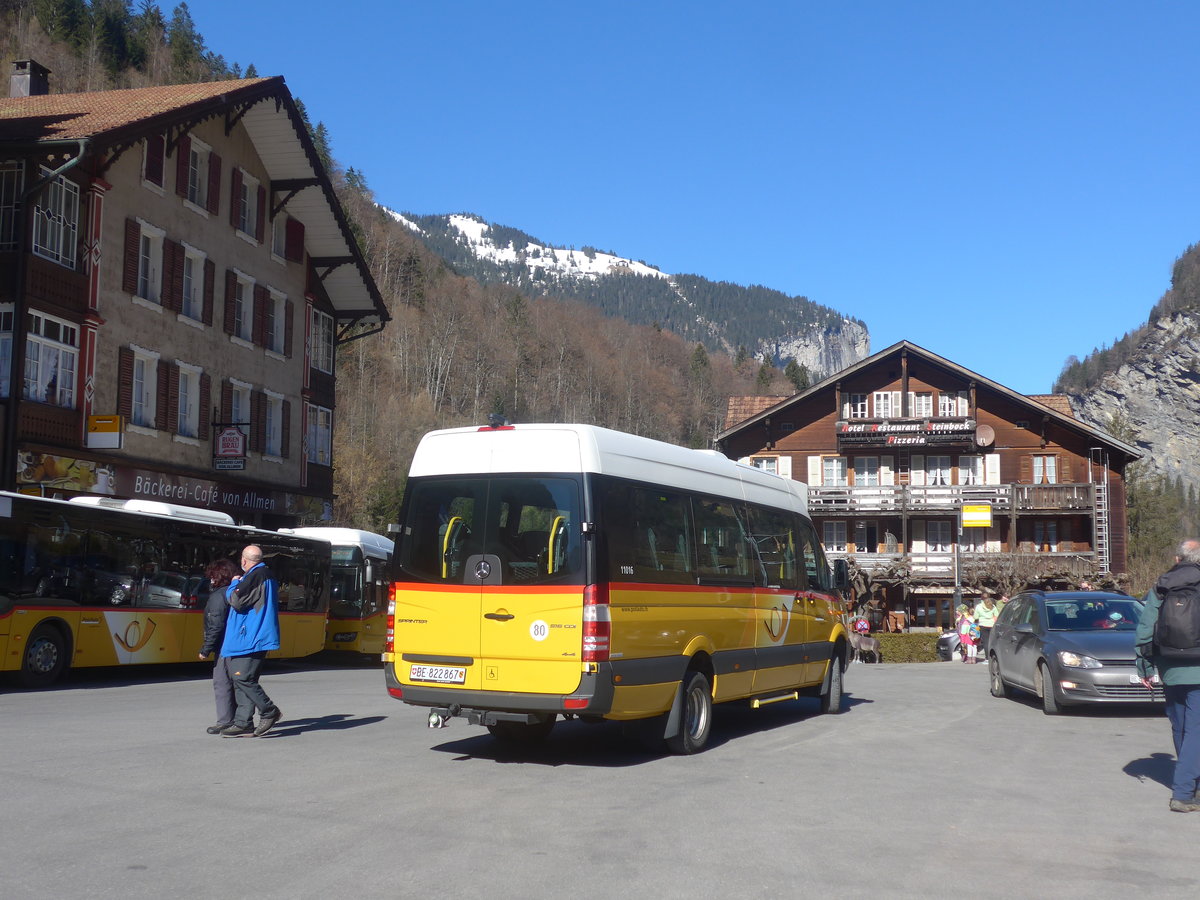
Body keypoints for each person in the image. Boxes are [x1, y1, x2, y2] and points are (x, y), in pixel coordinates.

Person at [1136, 539, 1200, 813]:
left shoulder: (1162, 585)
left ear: (1177, 559)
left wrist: (1145, 666)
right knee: (1196, 732)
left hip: (1170, 666)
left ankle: (1191, 785)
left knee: (1182, 727)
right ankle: (1184, 792)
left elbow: (1145, 628)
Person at [219, 545, 284, 738]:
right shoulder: (265, 574)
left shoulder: (255, 575)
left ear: (244, 560)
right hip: (252, 636)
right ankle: (243, 722)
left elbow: (236, 599)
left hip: (250, 637)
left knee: (242, 678)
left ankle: (269, 711)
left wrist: (233, 584)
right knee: (243, 679)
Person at [198, 557, 241, 735]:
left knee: (222, 683)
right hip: (237, 644)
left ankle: (225, 721)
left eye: (212, 576)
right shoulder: (234, 592)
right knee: (237, 684)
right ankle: (240, 720)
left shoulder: (218, 596)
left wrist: (205, 649)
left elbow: (216, 625)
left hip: (224, 646)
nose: (210, 579)